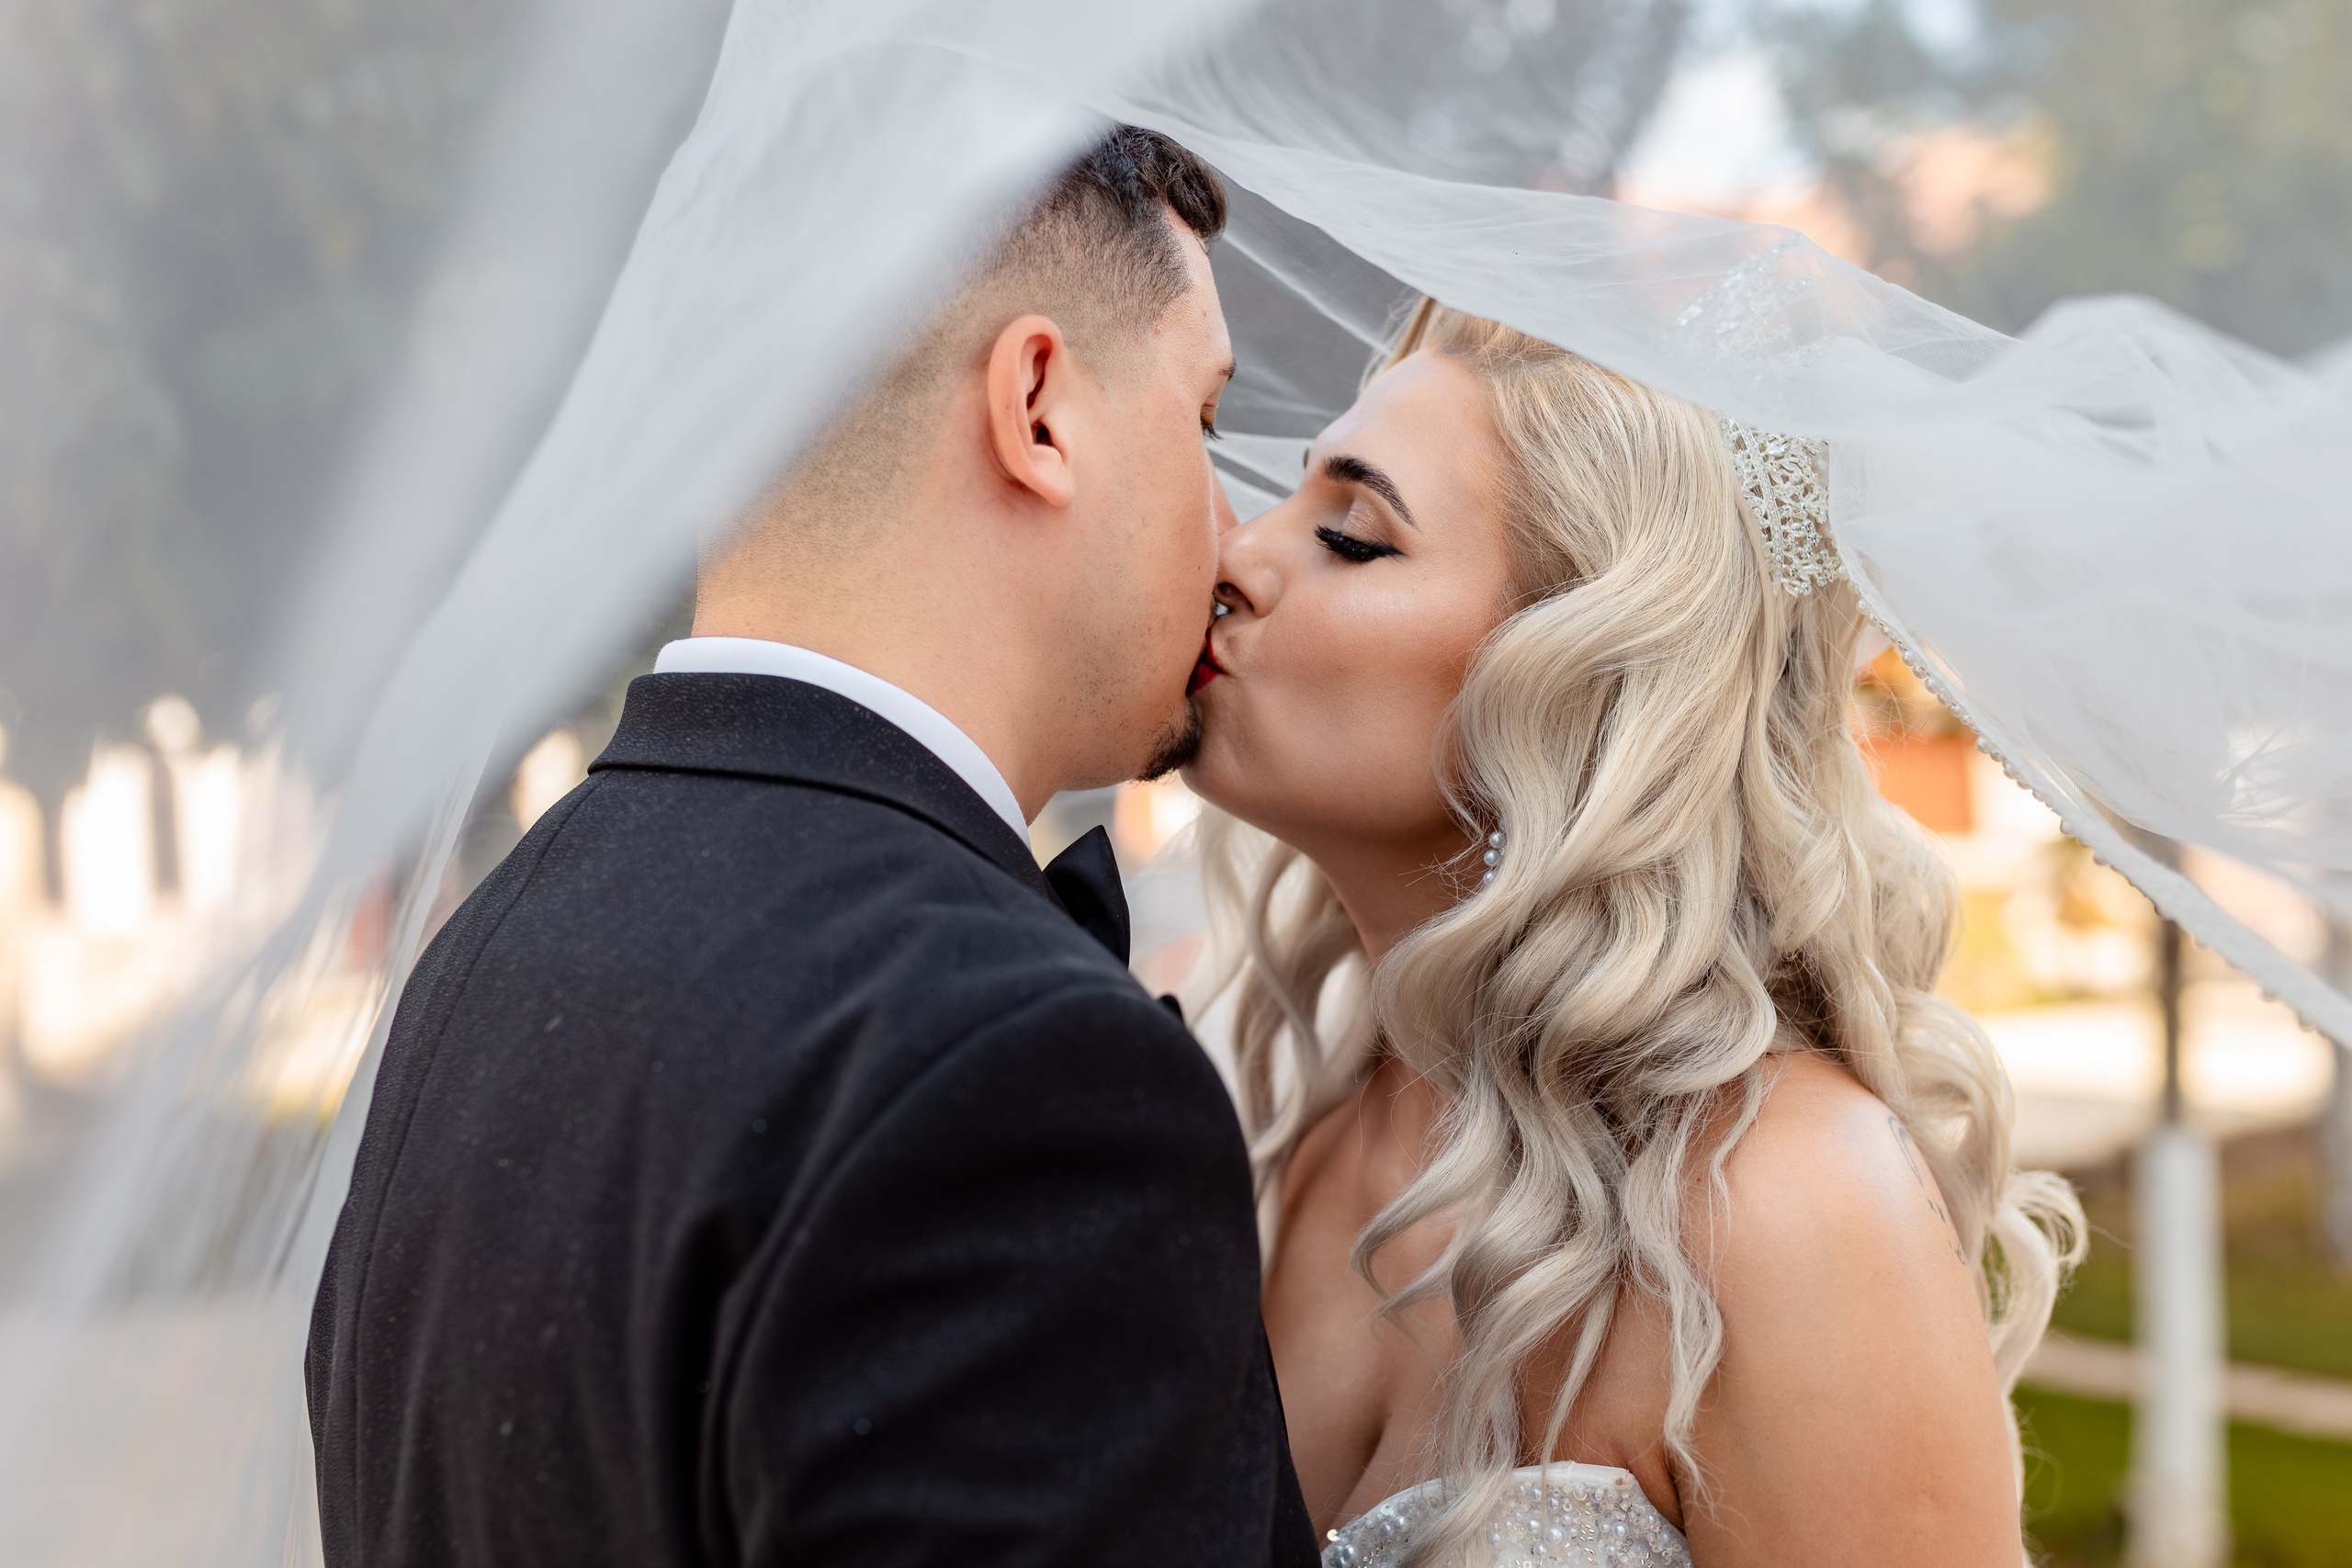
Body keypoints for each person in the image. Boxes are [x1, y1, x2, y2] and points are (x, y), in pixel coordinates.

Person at [307, 126, 1317, 1567]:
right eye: (1204, 422)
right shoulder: (1028, 1080)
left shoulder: (483, 956)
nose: (1233, 533)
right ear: (1038, 406)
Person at [1182, 300, 2086, 1567]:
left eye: (1352, 536)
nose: (1234, 553)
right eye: (1291, 495)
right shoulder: (1305, 1125)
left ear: (1589, 690)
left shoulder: (1788, 1206)